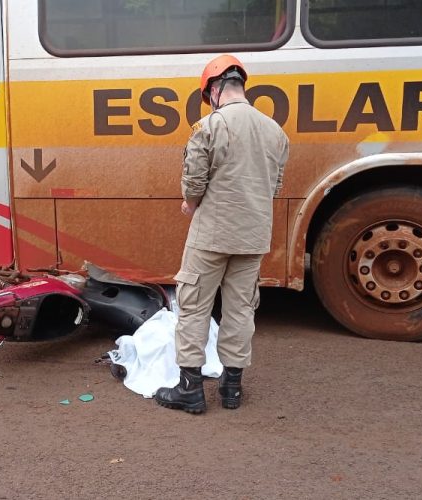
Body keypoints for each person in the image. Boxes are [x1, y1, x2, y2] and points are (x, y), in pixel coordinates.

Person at [155, 55, 289, 414]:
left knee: (195, 305)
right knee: (241, 310)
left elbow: (194, 182)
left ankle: (190, 389)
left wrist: (190, 204)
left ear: (213, 90)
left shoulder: (208, 127)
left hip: (211, 235)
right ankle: (231, 389)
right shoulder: (275, 131)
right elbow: (274, 186)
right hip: (254, 235)